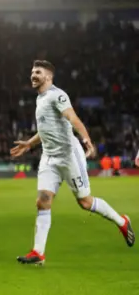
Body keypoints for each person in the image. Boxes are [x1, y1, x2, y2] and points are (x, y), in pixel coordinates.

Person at [10, 60, 134, 265]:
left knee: (85, 202)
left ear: (48, 77)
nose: (33, 75)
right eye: (32, 71)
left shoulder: (58, 95)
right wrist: (30, 144)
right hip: (49, 158)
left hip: (69, 156)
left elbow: (74, 119)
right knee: (42, 201)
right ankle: (38, 253)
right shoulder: (40, 99)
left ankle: (122, 221)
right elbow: (46, 129)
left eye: (38, 72)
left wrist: (87, 140)